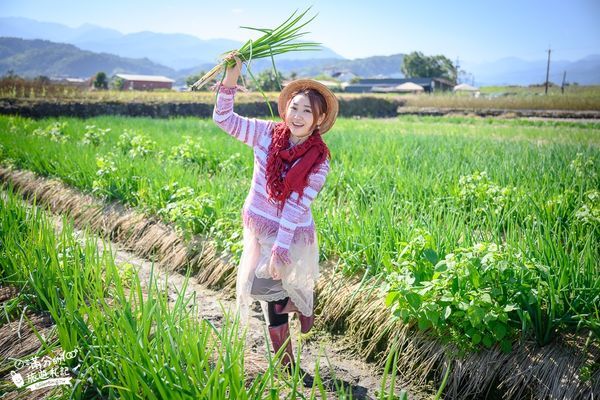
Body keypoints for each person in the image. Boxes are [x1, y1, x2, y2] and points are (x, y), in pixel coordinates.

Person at [212, 53, 338, 372]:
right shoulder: (265, 133)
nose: (297, 116)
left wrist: (280, 250)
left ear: (319, 120)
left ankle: (286, 353)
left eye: (306, 111)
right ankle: (294, 309)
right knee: (265, 290)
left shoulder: (319, 160)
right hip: (259, 227)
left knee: (268, 290)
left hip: (291, 231)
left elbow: (296, 206)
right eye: (293, 108)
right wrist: (231, 78)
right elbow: (224, 119)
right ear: (286, 109)